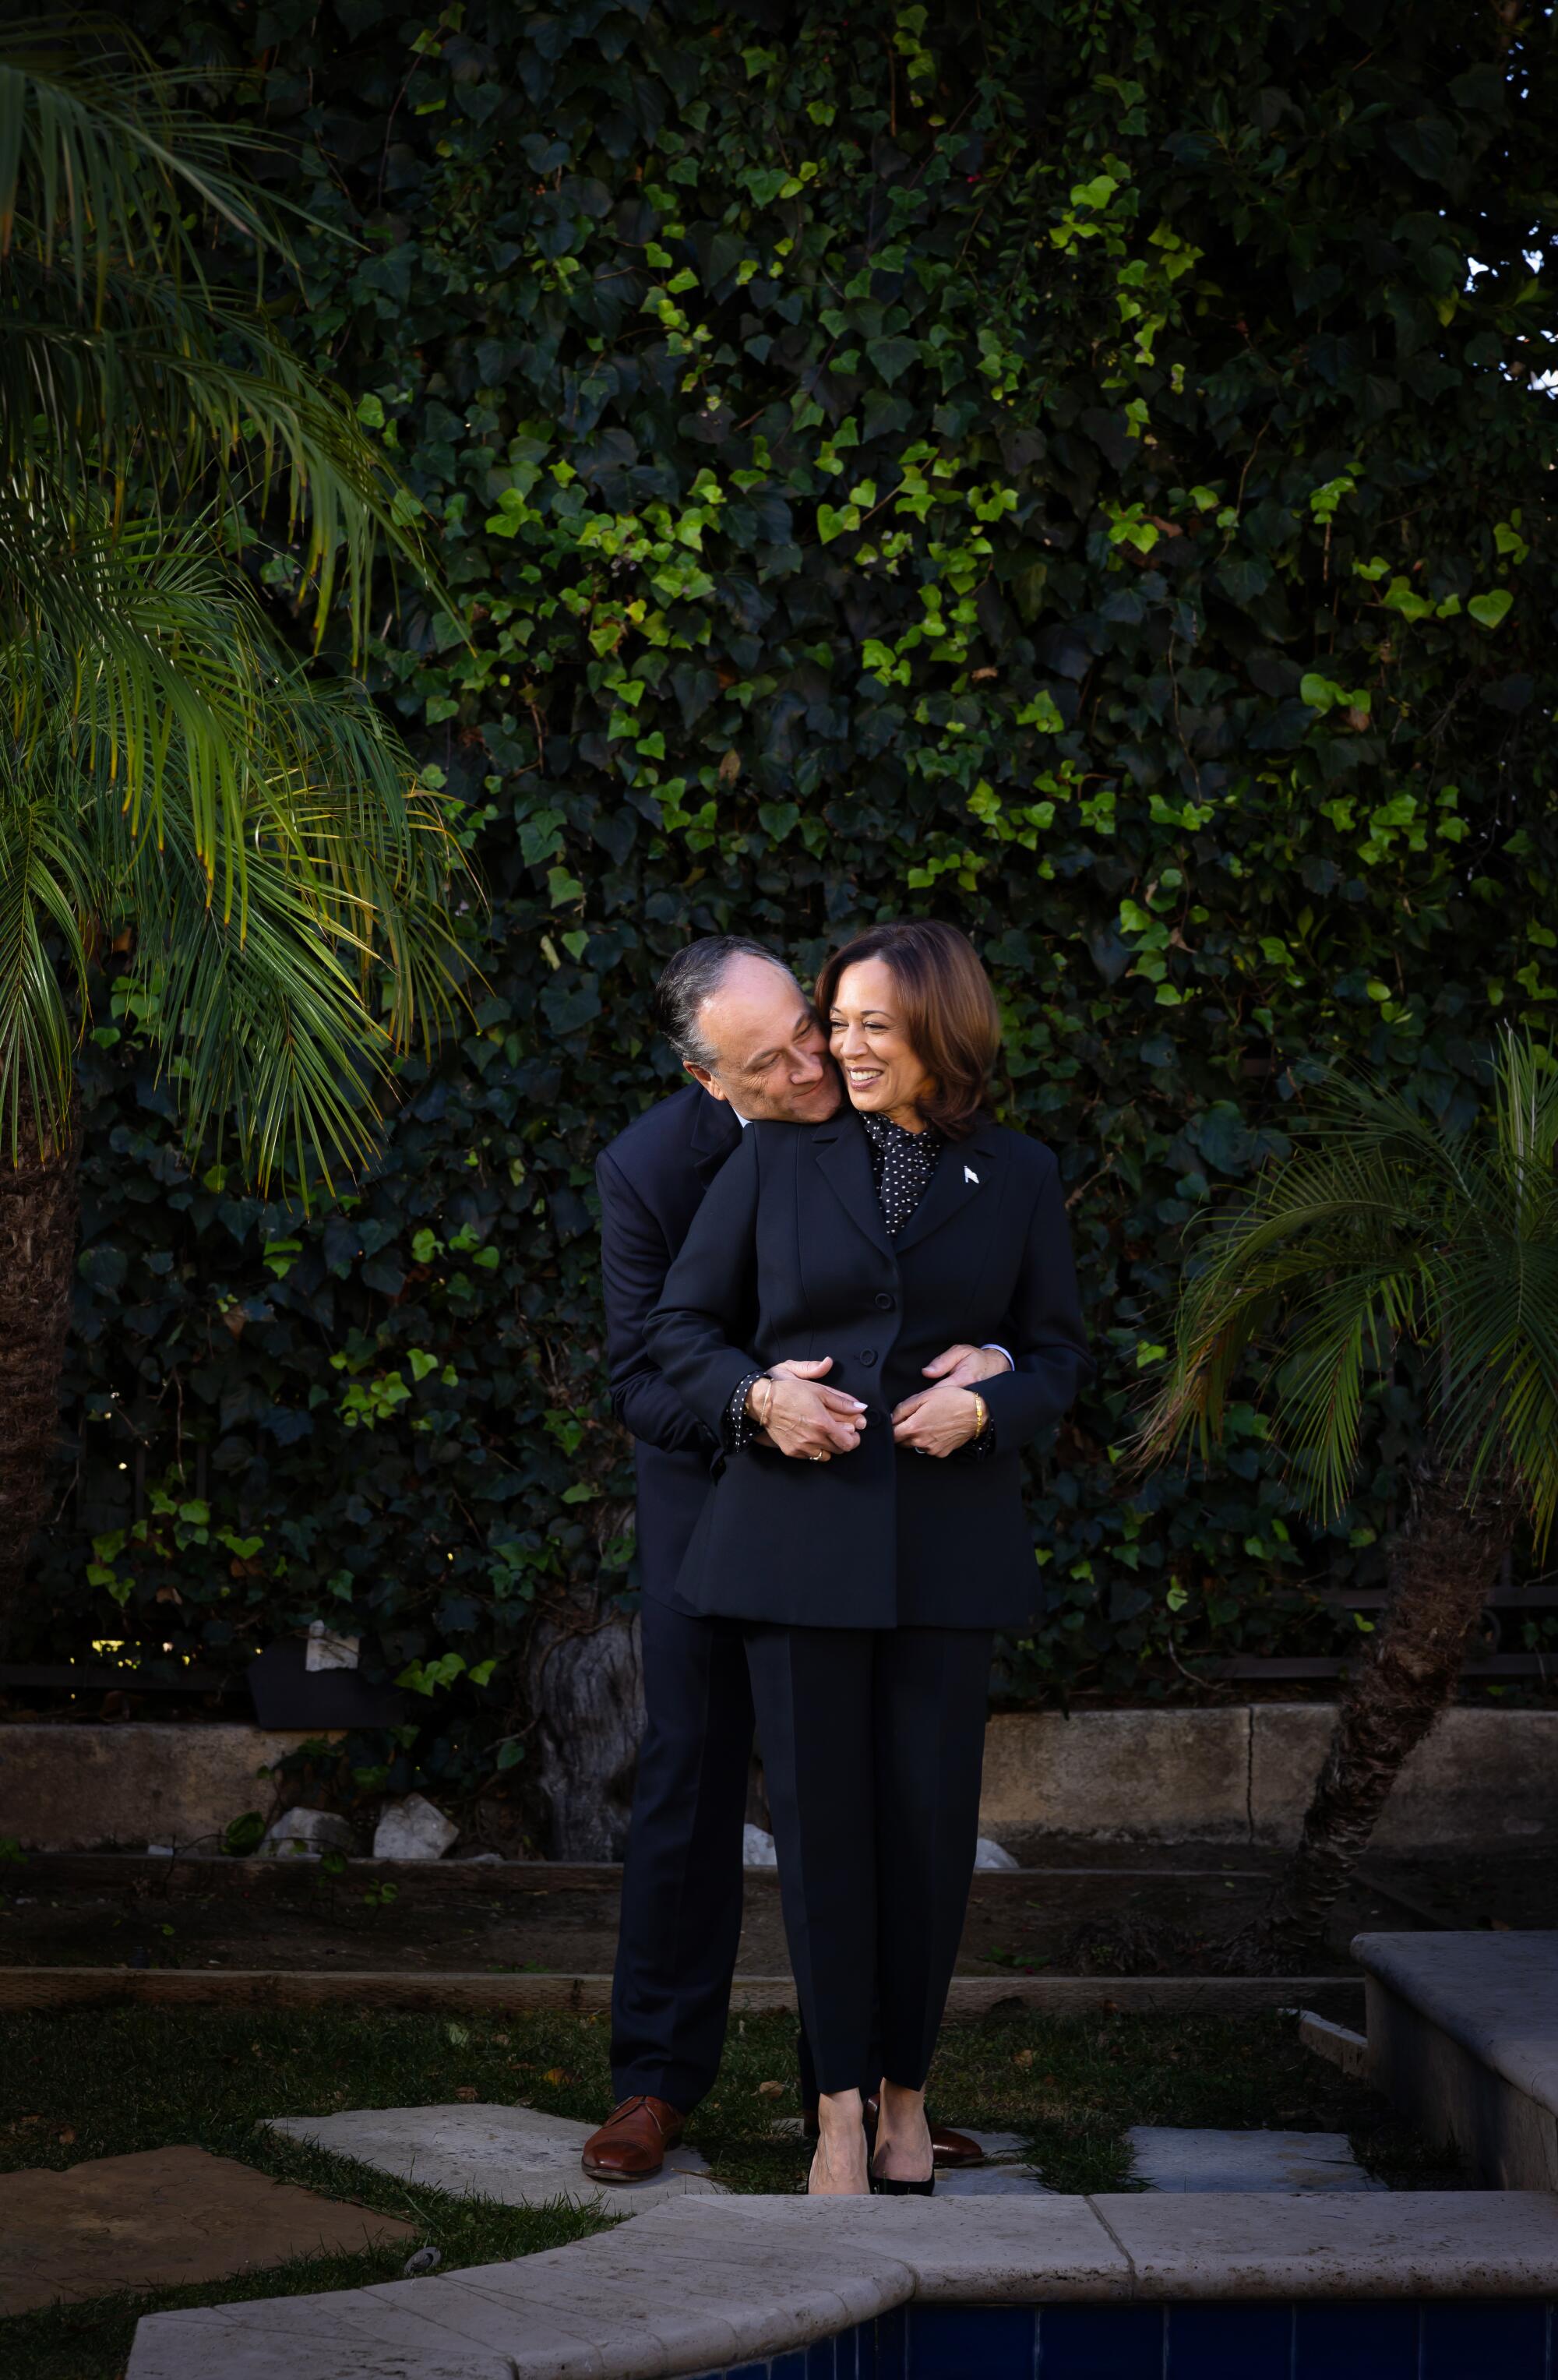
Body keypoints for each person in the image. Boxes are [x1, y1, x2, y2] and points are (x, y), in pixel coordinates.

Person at [647, 919, 1092, 2195]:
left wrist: (995, 1396)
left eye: (870, 1027)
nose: (839, 1047)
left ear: (943, 1034)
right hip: (795, 1551)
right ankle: (836, 2112)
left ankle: (908, 2099)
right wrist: (757, 1397)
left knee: (928, 1835)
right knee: (825, 1840)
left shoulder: (1016, 1175)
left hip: (947, 1558)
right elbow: (681, 1326)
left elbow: (1058, 1352)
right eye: (833, 1022)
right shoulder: (777, 1160)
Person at [582, 936, 1009, 2183]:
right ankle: (655, 2082)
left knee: (876, 1797)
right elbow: (641, 1375)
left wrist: (990, 1367)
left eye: (812, 1032)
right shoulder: (652, 1170)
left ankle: (879, 2095)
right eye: (772, 1062)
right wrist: (758, 1409)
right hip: (714, 1495)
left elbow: (957, 1295)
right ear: (713, 1080)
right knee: (691, 1775)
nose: (814, 1062)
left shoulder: (887, 1124)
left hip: (859, 1514)